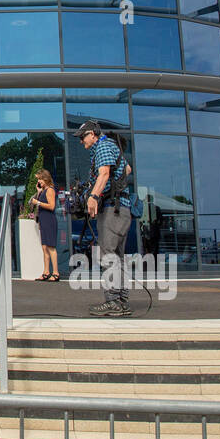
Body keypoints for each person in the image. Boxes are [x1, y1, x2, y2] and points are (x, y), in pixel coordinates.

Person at [76, 121, 134, 317]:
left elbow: (104, 173)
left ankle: (112, 301)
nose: (81, 142)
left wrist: (93, 196)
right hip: (123, 209)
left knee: (107, 254)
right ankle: (122, 301)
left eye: (83, 137)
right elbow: (127, 170)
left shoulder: (102, 146)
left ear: (92, 134)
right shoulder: (112, 146)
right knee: (118, 256)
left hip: (112, 208)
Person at [31, 169, 60, 282]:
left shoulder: (50, 190)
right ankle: (46, 272)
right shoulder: (43, 191)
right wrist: (38, 192)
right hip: (43, 220)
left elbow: (51, 206)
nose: (39, 181)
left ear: (45, 178)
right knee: (44, 247)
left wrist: (37, 202)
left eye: (40, 179)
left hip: (49, 220)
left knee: (51, 247)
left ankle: (56, 272)